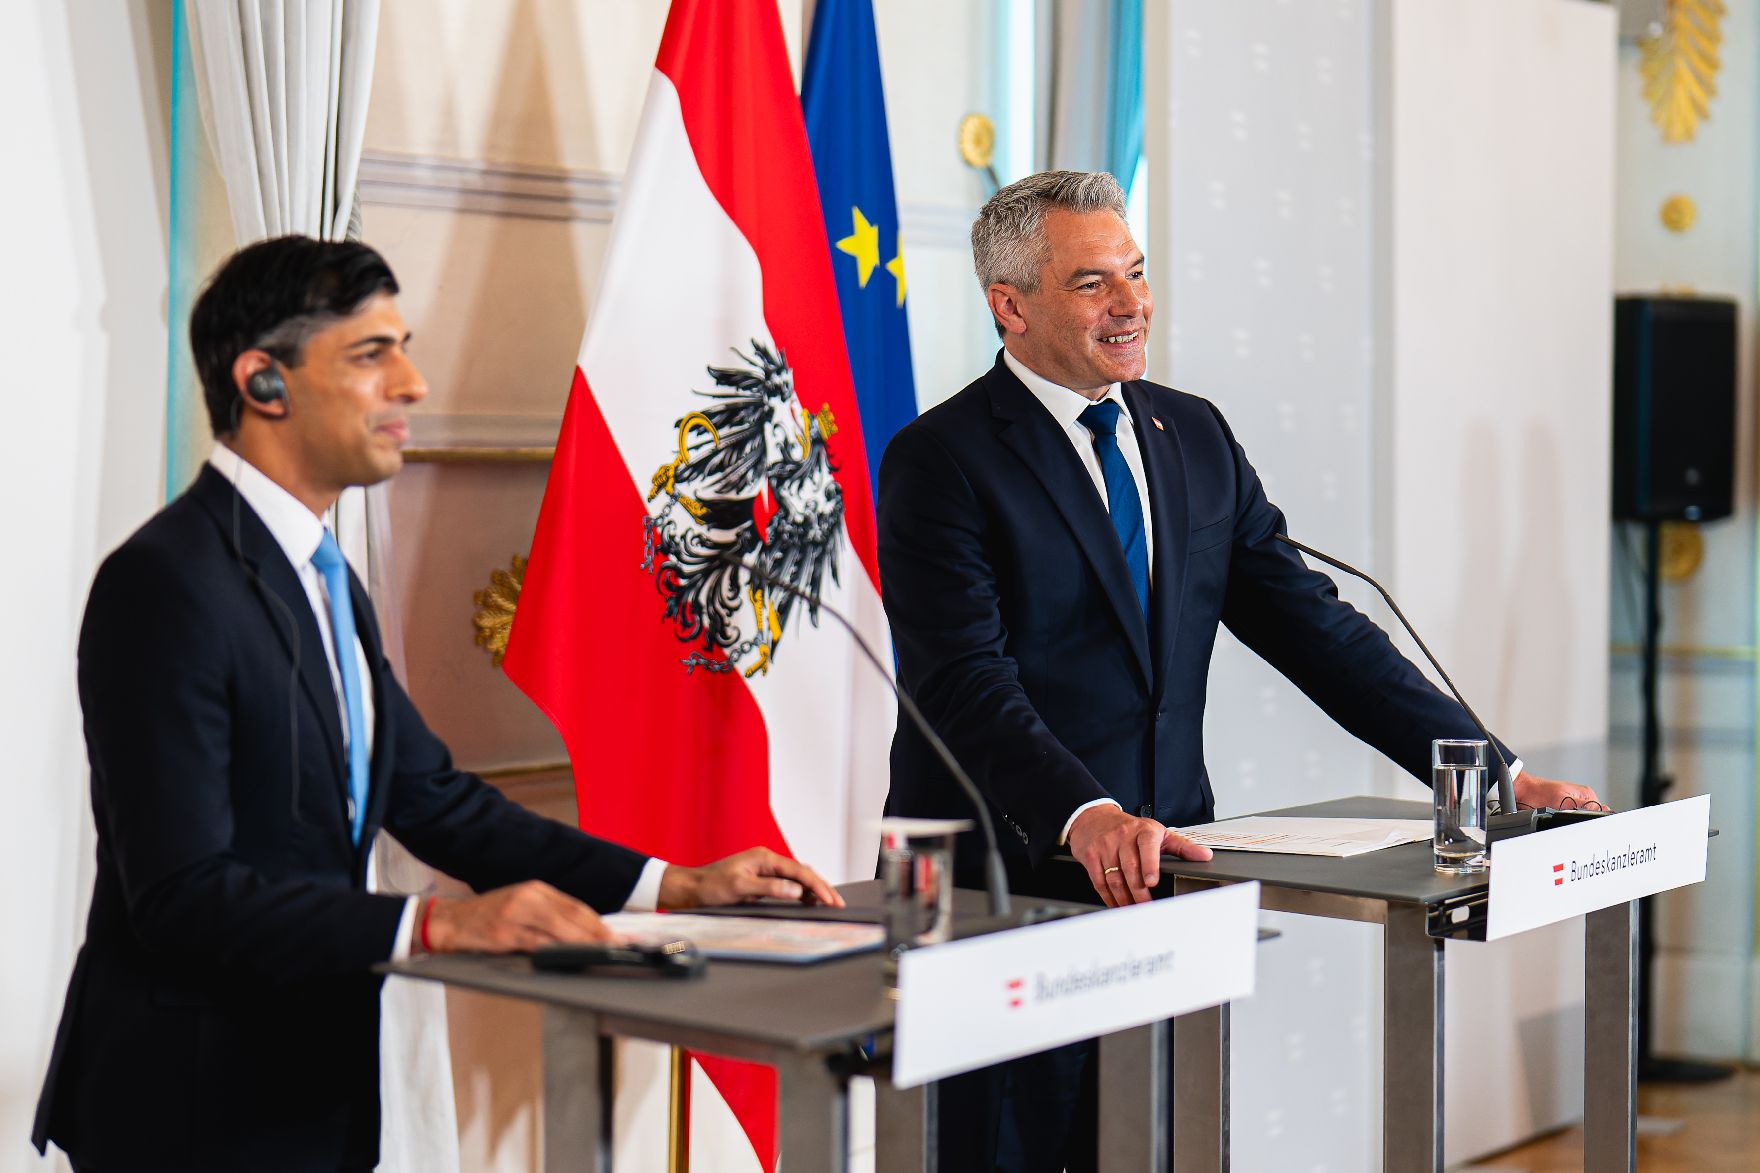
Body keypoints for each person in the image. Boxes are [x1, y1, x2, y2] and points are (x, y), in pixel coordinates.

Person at [32, 235, 840, 1173]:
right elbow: (180, 894)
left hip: (309, 1092)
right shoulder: (167, 582)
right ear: (263, 383)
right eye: (372, 355)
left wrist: (671, 885)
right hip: (188, 1104)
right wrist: (436, 924)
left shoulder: (322, 575)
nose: (413, 383)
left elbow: (438, 802)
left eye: (402, 347)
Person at [876, 170, 1601, 1173]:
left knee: (1156, 1147)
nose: (1131, 305)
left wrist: (1496, 777)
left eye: (1135, 273)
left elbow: (1317, 631)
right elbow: (961, 682)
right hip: (1007, 889)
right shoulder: (938, 460)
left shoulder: (1192, 436)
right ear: (1008, 303)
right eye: (1092, 284)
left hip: (1170, 875)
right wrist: (1084, 814)